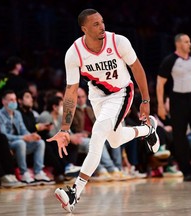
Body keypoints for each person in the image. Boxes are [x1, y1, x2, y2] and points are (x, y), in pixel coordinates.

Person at [46, 9, 159, 213]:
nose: (102, 27)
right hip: (97, 98)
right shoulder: (75, 52)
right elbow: (71, 90)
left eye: (102, 22)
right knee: (114, 140)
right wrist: (65, 128)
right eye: (96, 24)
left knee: (98, 134)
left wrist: (146, 99)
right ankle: (148, 130)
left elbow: (137, 68)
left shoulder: (119, 42)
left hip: (122, 93)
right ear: (84, 29)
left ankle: (74, 192)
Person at [156, 33, 191, 182]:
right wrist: (161, 104)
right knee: (180, 138)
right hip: (177, 101)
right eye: (186, 42)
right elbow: (160, 83)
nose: (189, 44)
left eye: (189, 41)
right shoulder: (169, 61)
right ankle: (186, 171)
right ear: (178, 44)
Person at [0, 90, 53, 185]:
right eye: (11, 100)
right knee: (21, 143)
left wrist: (31, 136)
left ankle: (38, 172)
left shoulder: (17, 114)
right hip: (8, 144)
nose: (14, 102)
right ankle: (23, 173)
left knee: (40, 142)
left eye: (15, 99)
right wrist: (23, 138)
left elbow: (23, 130)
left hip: (20, 142)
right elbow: (3, 135)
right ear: (3, 101)